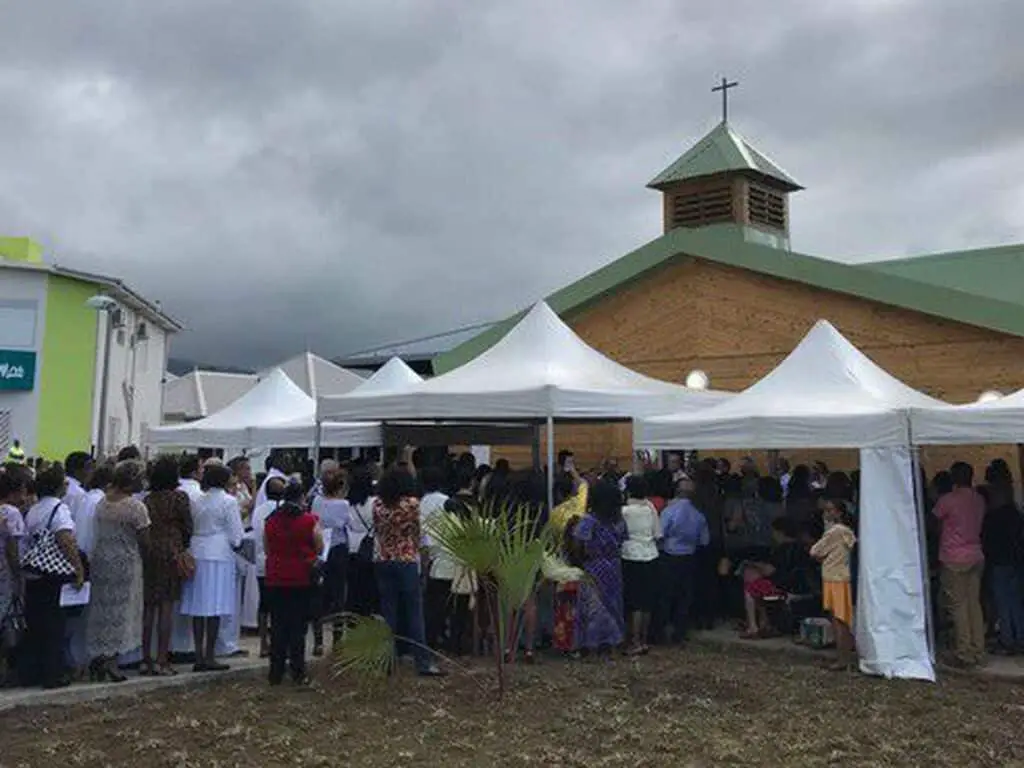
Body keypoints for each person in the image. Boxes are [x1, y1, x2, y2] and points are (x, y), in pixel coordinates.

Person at [373, 468, 444, 677]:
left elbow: (378, 530)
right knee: (414, 612)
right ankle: (422, 661)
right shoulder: (412, 505)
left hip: (383, 559)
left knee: (389, 612)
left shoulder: (378, 505)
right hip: (406, 560)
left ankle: (387, 660)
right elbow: (418, 533)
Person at [86, 461, 151, 682]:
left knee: (103, 610)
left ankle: (100, 655)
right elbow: (144, 539)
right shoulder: (135, 507)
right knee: (121, 612)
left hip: (102, 560)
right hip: (125, 561)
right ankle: (112, 662)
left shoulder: (103, 502)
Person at [21, 464, 85, 688]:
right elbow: (65, 539)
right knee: (55, 624)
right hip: (54, 573)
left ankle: (33, 671)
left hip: (34, 571)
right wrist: (78, 568)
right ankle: (53, 672)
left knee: (37, 623)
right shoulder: (60, 509)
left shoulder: (35, 509)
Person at [179, 462, 243, 673]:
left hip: (198, 550)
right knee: (215, 606)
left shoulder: (196, 500)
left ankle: (199, 654)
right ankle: (209, 655)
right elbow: (236, 535)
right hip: (219, 553)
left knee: (199, 606)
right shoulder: (229, 501)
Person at [264, 480, 323, 686]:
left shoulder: (270, 521)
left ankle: (275, 672)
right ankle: (298, 671)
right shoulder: (309, 521)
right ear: (301, 498)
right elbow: (319, 546)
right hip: (300, 577)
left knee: (278, 625)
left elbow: (267, 547)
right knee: (298, 628)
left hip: (276, 576)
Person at [141, 456, 193, 676]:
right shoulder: (179, 498)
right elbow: (188, 525)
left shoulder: (148, 500)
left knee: (149, 607)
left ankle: (146, 658)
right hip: (172, 550)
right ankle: (163, 658)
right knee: (166, 607)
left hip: (151, 550)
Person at [933, 461, 986, 667]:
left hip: (953, 556)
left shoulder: (948, 500)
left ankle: (964, 651)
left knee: (958, 605)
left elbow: (935, 520)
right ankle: (978, 649)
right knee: (974, 604)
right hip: (976, 553)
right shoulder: (979, 499)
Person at [572, 479, 626, 656]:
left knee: (593, 606)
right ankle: (612, 642)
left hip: (593, 566)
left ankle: (590, 643)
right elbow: (623, 539)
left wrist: (581, 561)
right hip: (613, 565)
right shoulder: (619, 521)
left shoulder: (589, 520)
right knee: (613, 604)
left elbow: (578, 543)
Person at [653, 477, 709, 645]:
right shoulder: (698, 515)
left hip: (669, 556)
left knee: (665, 596)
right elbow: (704, 540)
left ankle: (660, 633)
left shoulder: (669, 511)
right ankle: (680, 632)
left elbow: (660, 534)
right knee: (685, 597)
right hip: (689, 557)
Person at [740, 518, 813, 639]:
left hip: (782, 587)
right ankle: (765, 624)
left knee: (750, 588)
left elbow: (771, 571)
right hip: (799, 586)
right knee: (759, 586)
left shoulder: (783, 549)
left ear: (780, 532)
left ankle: (753, 626)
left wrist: (755, 564)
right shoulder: (801, 548)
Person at [810, 500, 857, 670]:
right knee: (842, 618)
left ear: (838, 513)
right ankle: (844, 655)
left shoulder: (834, 532)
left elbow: (815, 551)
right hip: (843, 576)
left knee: (837, 619)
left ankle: (842, 659)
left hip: (832, 577)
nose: (826, 514)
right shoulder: (848, 532)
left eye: (830, 510)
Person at [981, 470, 1024, 655]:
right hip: (1015, 561)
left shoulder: (993, 517)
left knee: (1003, 603)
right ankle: (1020, 638)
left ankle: (1007, 640)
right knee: (1015, 602)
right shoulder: (1015, 514)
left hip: (1000, 563)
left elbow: (988, 541)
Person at [310, 468, 350, 654]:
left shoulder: (317, 501)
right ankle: (337, 640)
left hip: (320, 547)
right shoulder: (343, 504)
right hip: (338, 548)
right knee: (338, 595)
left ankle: (318, 640)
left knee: (319, 594)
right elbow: (345, 523)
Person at [621, 475, 660, 655]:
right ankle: (643, 639)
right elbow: (657, 533)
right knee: (646, 601)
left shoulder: (625, 511)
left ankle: (634, 640)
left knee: (634, 601)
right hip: (651, 553)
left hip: (631, 554)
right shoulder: (650, 507)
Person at [251, 475, 287, 657]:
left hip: (260, 561)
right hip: (276, 561)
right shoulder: (282, 511)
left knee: (263, 604)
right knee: (279, 605)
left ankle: (263, 643)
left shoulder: (258, 510)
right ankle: (278, 642)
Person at [0, 470, 27, 684]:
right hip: (4, 574)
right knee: (6, 621)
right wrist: (19, 575)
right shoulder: (11, 513)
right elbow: (13, 550)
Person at [345, 466, 378, 616]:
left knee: (353, 588)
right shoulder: (376, 503)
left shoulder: (348, 504)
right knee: (369, 588)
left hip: (352, 547)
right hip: (370, 547)